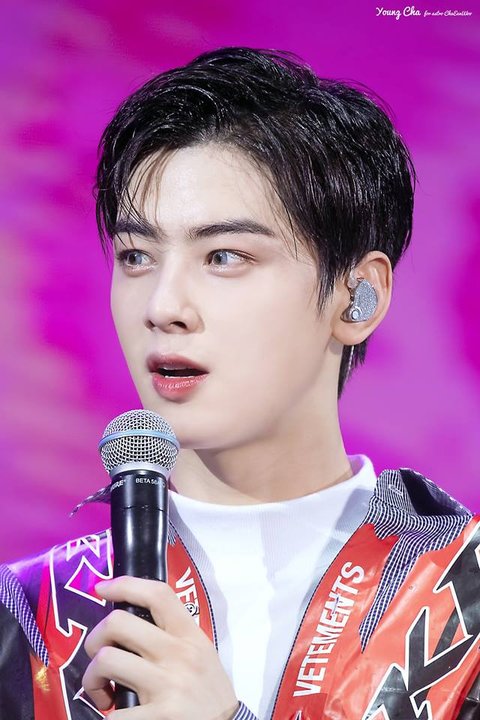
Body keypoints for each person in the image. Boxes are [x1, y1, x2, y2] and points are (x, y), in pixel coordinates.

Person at [1, 46, 479, 720]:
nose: (163, 305)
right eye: (136, 256)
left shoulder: (465, 594)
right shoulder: (30, 616)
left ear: (357, 298)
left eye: (224, 256)